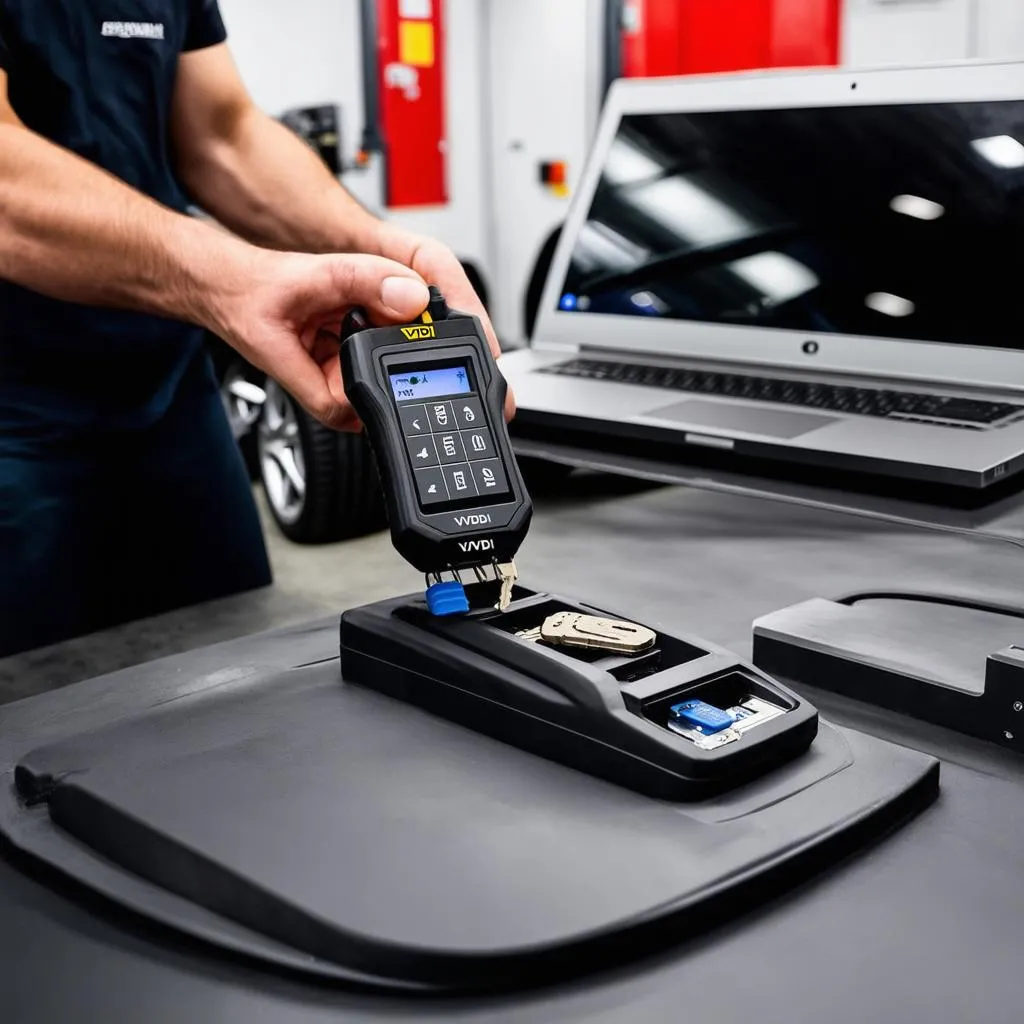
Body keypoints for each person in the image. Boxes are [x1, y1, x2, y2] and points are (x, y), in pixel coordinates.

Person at [0, 2, 510, 657]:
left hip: (170, 392)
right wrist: (222, 276)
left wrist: (379, 248)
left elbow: (223, 135)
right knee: (34, 702)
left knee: (227, 662)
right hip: (16, 411)